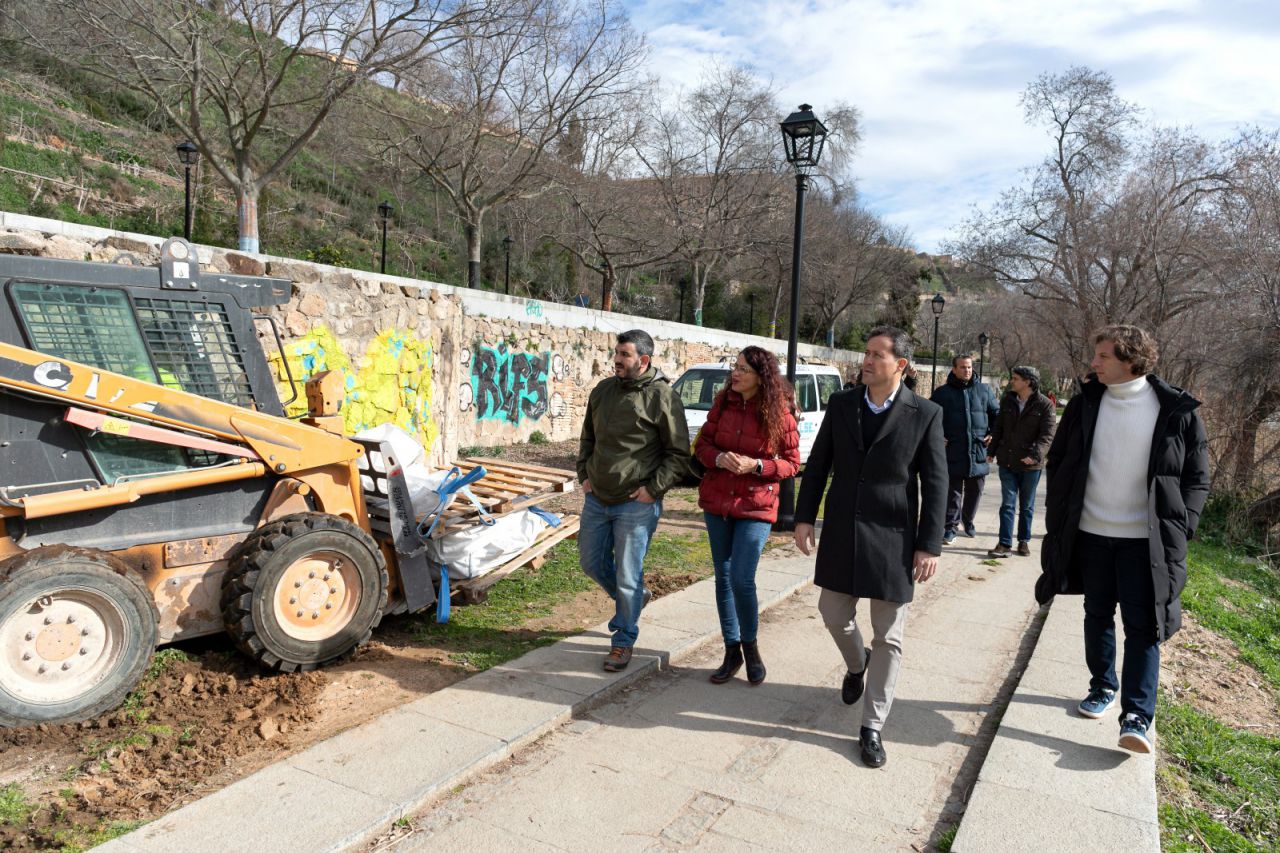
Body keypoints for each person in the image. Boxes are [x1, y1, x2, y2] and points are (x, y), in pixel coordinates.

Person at [1038, 325, 1209, 753]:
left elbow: (1196, 477)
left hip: (1144, 543)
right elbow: (1058, 459)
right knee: (1096, 614)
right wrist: (1061, 507)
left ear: (1131, 360)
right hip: (1092, 535)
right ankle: (1102, 687)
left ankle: (1136, 716)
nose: (1093, 363)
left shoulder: (1176, 410)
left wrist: (1181, 524)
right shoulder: (1084, 405)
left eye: (1103, 357)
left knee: (1143, 627)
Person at [794, 326, 947, 768]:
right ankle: (856, 662)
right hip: (843, 529)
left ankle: (872, 726)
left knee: (890, 637)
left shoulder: (926, 413)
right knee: (832, 612)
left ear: (900, 364)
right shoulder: (842, 404)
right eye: (865, 352)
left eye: (877, 354)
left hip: (894, 538)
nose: (866, 360)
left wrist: (928, 545)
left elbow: (936, 485)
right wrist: (805, 517)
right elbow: (819, 463)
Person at [577, 329, 691, 672]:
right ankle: (635, 600)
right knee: (590, 563)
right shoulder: (603, 391)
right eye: (616, 353)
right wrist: (584, 474)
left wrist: (653, 489)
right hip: (597, 498)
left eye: (624, 355)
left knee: (628, 575)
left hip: (636, 504)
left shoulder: (662, 397)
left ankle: (623, 639)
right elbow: (588, 436)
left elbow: (678, 453)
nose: (616, 360)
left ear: (643, 360)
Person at [695, 346, 801, 686]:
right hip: (718, 503)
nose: (735, 374)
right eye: (734, 367)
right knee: (723, 577)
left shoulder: (779, 412)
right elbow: (702, 445)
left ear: (761, 376)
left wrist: (756, 465)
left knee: (742, 577)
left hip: (756, 505)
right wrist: (717, 458)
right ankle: (732, 650)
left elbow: (791, 464)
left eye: (743, 369)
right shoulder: (723, 402)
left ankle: (751, 647)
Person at [985, 366, 1057, 558]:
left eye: (1016, 378)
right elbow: (998, 427)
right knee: (1007, 504)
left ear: (1028, 382)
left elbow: (1047, 436)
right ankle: (1004, 544)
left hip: (1030, 466)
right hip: (1007, 462)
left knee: (1026, 506)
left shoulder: (1045, 405)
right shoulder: (1008, 400)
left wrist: (1034, 455)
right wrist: (991, 452)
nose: (1012, 381)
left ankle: (1023, 541)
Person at [930, 356, 999, 544]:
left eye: (969, 367)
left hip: (978, 449)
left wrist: (993, 433)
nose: (967, 370)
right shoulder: (942, 393)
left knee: (975, 490)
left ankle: (968, 521)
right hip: (953, 449)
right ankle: (950, 527)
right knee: (953, 492)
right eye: (962, 367)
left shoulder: (984, 390)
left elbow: (997, 415)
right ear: (954, 369)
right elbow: (930, 417)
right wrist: (938, 435)